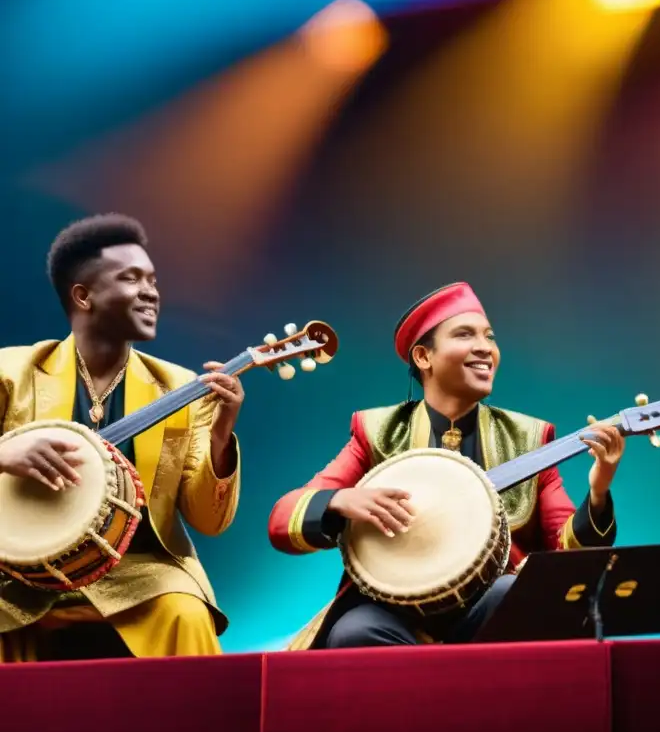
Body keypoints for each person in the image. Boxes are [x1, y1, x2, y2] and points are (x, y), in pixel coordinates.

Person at [270, 282, 624, 649]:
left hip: (488, 610)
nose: (485, 347)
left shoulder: (530, 439)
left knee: (513, 594)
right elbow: (281, 521)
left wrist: (598, 492)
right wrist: (339, 501)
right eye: (464, 335)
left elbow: (567, 555)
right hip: (393, 615)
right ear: (423, 357)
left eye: (489, 337)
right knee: (353, 633)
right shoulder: (376, 433)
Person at [0, 213, 244, 661]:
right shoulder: (12, 372)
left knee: (183, 612)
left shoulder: (180, 387)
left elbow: (208, 520)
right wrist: (4, 453)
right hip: (19, 574)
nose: (150, 291)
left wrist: (221, 435)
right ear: (83, 295)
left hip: (137, 573)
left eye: (152, 279)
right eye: (131, 278)